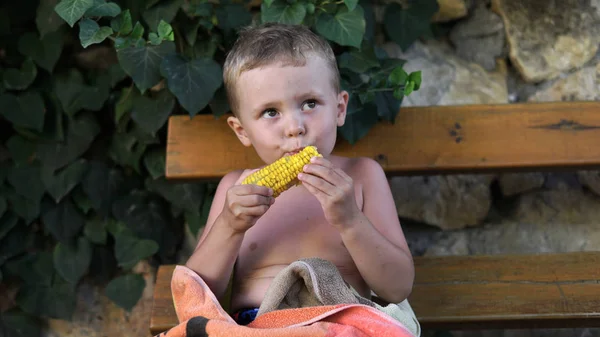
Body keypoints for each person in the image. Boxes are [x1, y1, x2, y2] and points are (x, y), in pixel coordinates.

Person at [185, 22, 414, 326]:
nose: (295, 126)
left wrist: (350, 221)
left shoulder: (361, 177)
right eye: (271, 112)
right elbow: (197, 294)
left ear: (339, 108)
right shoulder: (236, 189)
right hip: (259, 327)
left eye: (309, 103)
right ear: (242, 131)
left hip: (341, 324)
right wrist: (229, 226)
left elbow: (397, 288)